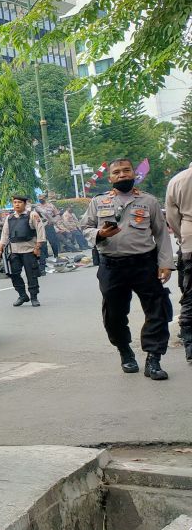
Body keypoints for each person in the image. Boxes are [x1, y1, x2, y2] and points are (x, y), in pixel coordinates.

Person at [81, 158, 174, 380]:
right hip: (112, 266)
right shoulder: (98, 202)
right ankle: (125, 351)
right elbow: (85, 227)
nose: (122, 175)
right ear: (110, 177)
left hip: (144, 264)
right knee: (113, 315)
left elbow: (161, 234)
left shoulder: (149, 201)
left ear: (134, 174)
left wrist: (165, 263)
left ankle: (154, 358)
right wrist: (100, 234)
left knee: (157, 310)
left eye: (126, 170)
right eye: (117, 172)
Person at [0, 194, 45, 307]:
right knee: (14, 274)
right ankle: (22, 295)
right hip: (15, 251)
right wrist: (0, 248)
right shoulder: (10, 218)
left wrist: (37, 247)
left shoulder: (32, 215)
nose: (17, 204)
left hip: (29, 250)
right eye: (15, 202)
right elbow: (5, 234)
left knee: (31, 275)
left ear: (25, 204)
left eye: (19, 202)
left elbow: (40, 231)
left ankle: (34, 297)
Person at [166, 160, 192, 364]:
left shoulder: (178, 180)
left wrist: (181, 237)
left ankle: (190, 343)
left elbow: (173, 219)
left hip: (190, 241)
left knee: (190, 295)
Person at [36, 194, 64, 265]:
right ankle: (45, 259)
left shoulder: (51, 206)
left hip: (49, 226)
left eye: (41, 198)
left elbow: (57, 214)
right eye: (39, 198)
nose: (40, 199)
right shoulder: (37, 207)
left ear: (45, 198)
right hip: (40, 227)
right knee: (43, 243)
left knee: (53, 242)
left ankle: (56, 256)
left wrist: (54, 220)